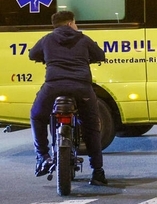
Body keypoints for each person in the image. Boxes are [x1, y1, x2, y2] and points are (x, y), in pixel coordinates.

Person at [29, 11, 108, 185]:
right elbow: (100, 55)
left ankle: (43, 156)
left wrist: (47, 58)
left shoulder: (47, 39)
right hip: (81, 87)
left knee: (36, 115)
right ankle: (97, 172)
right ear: (71, 23)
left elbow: (32, 54)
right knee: (91, 126)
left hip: (53, 86)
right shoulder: (83, 39)